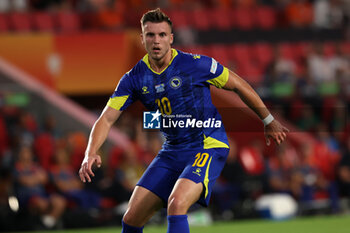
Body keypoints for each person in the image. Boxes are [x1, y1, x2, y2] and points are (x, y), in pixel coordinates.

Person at [79, 8, 288, 233]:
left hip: (207, 145)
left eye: (162, 35)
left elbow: (238, 84)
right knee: (131, 219)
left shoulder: (195, 65)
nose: (156, 41)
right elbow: (107, 118)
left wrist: (268, 120)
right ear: (142, 39)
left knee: (177, 204)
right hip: (171, 152)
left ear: (171, 38)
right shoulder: (133, 79)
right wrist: (91, 152)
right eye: (150, 35)